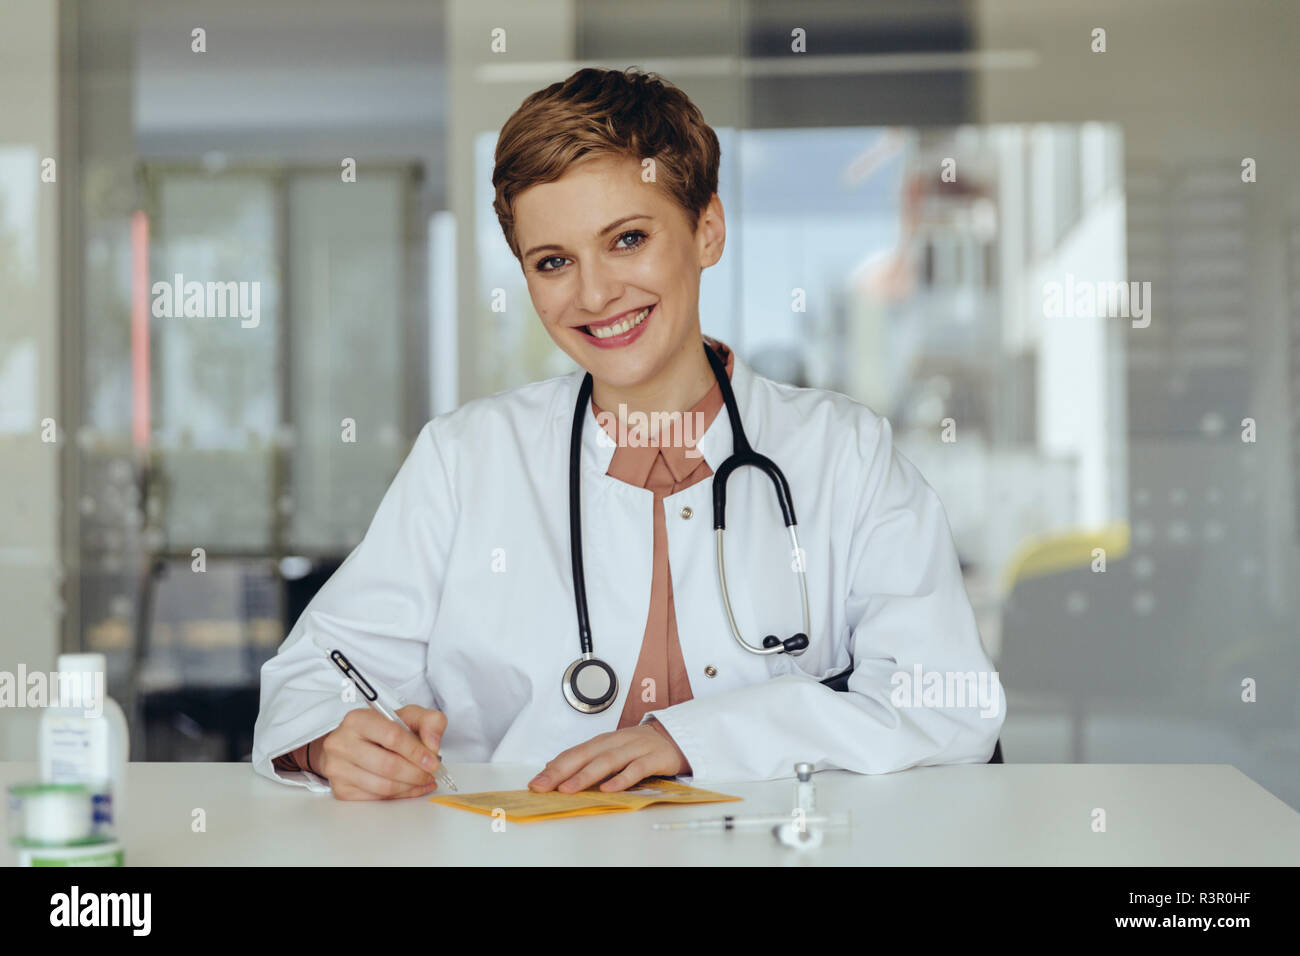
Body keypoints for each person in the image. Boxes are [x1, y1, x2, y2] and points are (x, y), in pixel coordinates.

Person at [252, 67, 1004, 801]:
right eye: (553, 262)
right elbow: (317, 672)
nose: (595, 293)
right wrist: (330, 741)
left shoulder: (844, 454)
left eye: (627, 239)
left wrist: (692, 740)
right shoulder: (467, 460)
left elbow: (946, 704)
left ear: (706, 230)